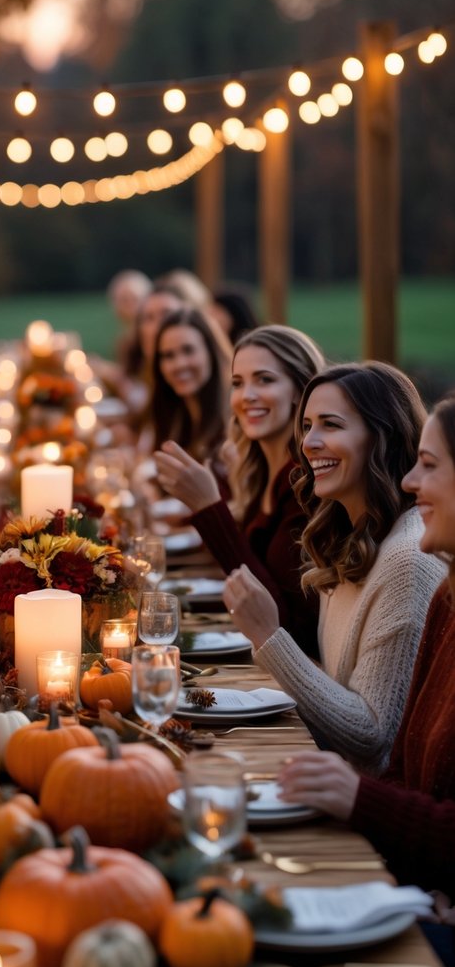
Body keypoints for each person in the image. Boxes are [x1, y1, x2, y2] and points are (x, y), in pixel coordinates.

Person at [277, 395, 455, 967]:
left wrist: (359, 799)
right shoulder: (449, 600)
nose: (409, 482)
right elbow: (406, 769)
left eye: (430, 465)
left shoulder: (411, 566)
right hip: (418, 883)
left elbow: (376, 745)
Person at [224, 362, 446, 775]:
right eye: (307, 425)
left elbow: (372, 738)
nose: (309, 443)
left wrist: (269, 637)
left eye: (331, 425)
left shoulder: (407, 559)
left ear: (383, 438)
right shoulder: (348, 536)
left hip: (363, 810)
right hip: (328, 775)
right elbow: (337, 687)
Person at [154, 325, 324, 656]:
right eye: (238, 383)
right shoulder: (260, 472)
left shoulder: (305, 483)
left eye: (265, 379)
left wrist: (208, 507)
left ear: (300, 390)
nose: (247, 396)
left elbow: (281, 621)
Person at [149, 305, 233, 469]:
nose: (179, 364)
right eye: (168, 355)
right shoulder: (175, 416)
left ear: (211, 353)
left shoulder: (233, 420)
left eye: (188, 351)